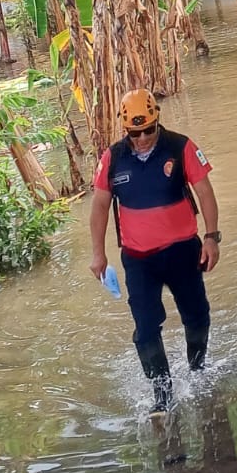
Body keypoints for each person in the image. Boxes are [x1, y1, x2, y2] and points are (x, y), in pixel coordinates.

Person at [89, 89, 221, 415]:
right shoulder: (112, 159)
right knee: (146, 329)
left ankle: (197, 368)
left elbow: (205, 193)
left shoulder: (181, 147)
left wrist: (211, 237)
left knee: (197, 315)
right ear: (125, 129)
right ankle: (162, 395)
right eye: (135, 133)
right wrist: (98, 254)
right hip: (139, 260)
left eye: (149, 129)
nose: (143, 138)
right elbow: (100, 207)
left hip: (183, 252)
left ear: (157, 120)